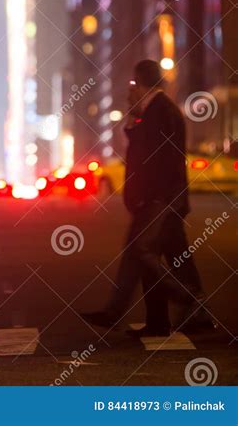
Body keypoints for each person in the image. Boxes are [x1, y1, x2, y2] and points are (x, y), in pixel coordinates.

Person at [82, 59, 214, 336]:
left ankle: (189, 300)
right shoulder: (154, 110)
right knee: (171, 256)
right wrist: (133, 116)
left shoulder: (162, 110)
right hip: (163, 200)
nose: (130, 90)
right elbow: (143, 144)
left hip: (160, 201)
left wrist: (150, 199)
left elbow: (158, 158)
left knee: (141, 252)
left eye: (133, 84)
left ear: (141, 82)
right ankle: (157, 319)